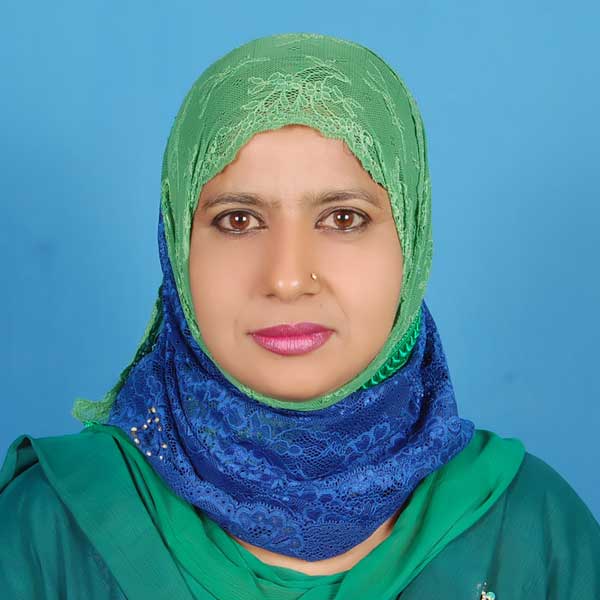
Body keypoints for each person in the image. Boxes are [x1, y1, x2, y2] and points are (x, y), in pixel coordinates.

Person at [1, 32, 598, 599]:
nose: (287, 279)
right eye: (238, 220)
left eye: (343, 219)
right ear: (178, 249)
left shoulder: (534, 531)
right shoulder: (49, 528)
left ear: (411, 244)